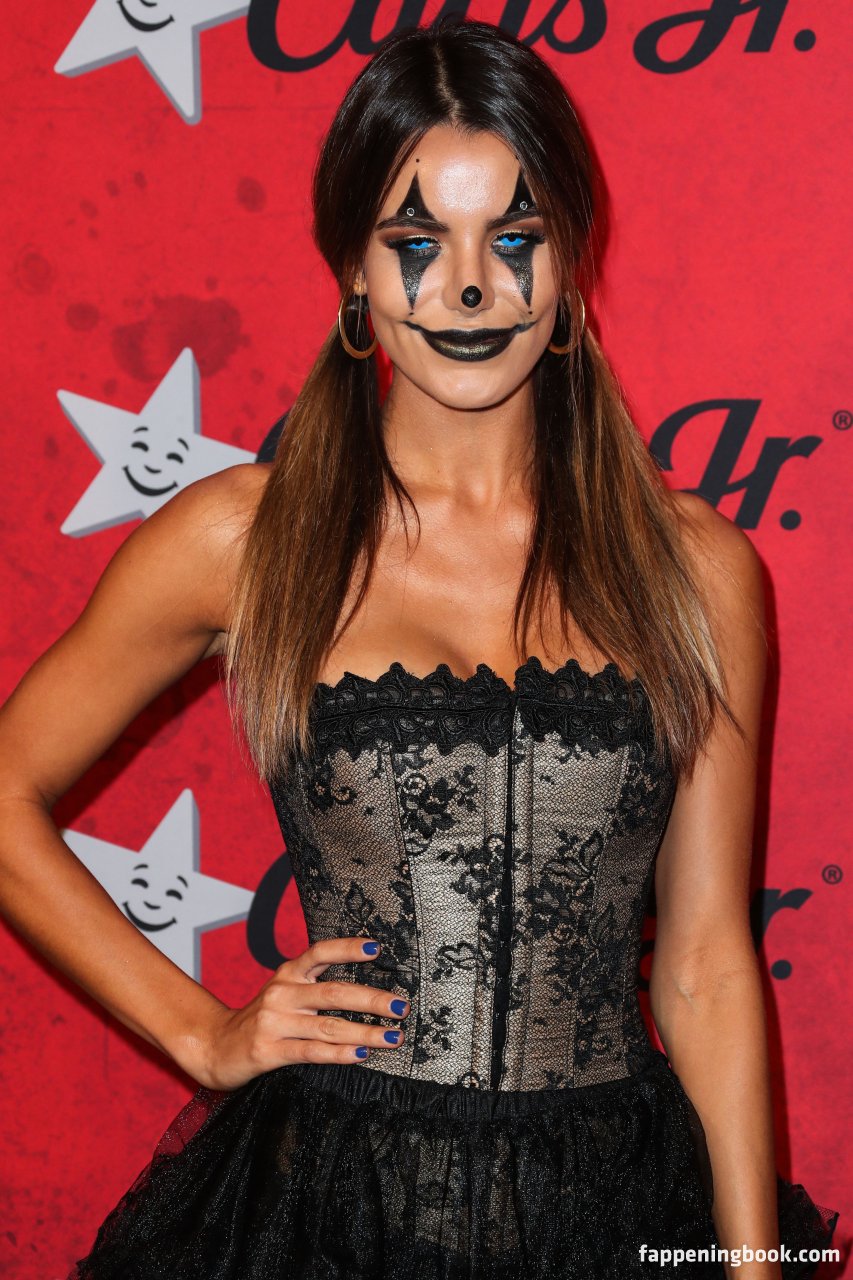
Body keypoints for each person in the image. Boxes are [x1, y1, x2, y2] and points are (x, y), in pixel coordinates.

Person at [0, 17, 839, 1280]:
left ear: (568, 259)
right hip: (325, 1220)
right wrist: (200, 1031)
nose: (468, 287)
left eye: (514, 237)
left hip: (614, 1214)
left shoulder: (697, 570)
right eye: (415, 242)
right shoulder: (243, 539)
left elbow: (710, 965)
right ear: (352, 266)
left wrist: (750, 1267)